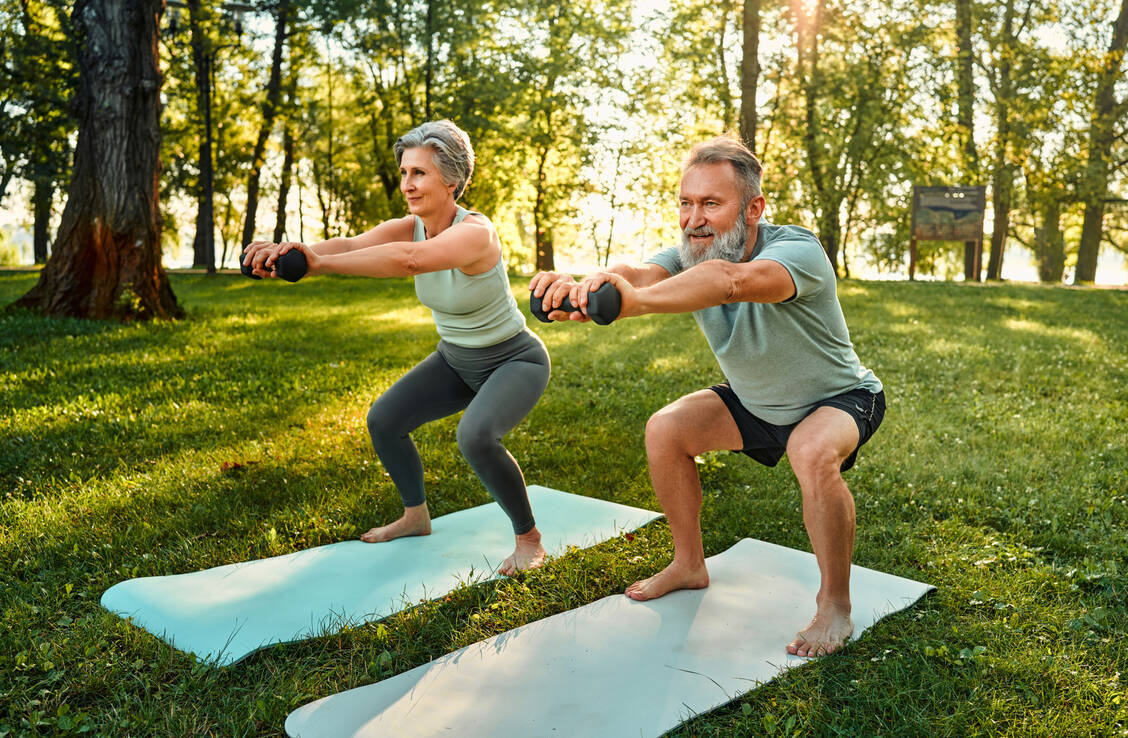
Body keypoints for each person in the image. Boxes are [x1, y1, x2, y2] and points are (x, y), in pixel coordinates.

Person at [530, 136, 885, 656]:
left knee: (809, 451)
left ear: (753, 208)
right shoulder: (687, 253)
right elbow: (639, 273)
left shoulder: (797, 251)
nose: (694, 218)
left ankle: (835, 604)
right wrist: (588, 287)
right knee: (666, 429)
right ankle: (689, 563)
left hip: (839, 398)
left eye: (711, 204)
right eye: (686, 202)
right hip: (757, 402)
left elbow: (728, 283)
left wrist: (634, 304)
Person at [243, 120, 550, 575]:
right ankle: (415, 516)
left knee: (475, 436)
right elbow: (351, 243)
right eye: (405, 173)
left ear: (451, 179)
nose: (407, 184)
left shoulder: (476, 233)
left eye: (420, 173)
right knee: (385, 420)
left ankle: (530, 540)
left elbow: (411, 262)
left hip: (514, 358)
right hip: (456, 359)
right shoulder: (410, 225)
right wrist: (293, 250)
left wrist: (320, 265)